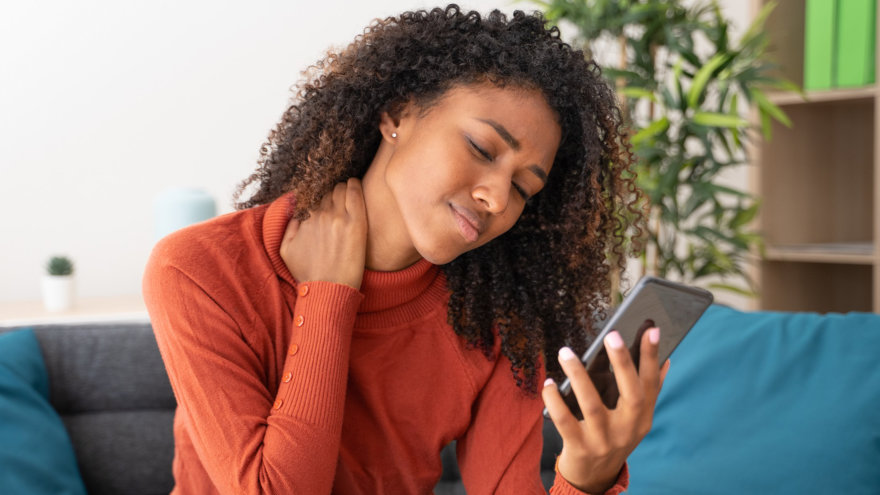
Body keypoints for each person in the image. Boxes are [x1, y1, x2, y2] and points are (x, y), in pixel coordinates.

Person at [143, 4, 668, 494]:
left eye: (525, 189)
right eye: (482, 148)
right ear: (397, 114)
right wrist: (328, 297)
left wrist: (587, 476)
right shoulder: (200, 270)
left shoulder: (499, 318)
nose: (497, 196)